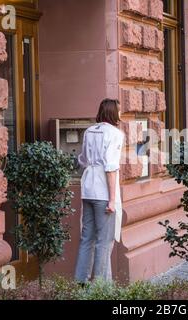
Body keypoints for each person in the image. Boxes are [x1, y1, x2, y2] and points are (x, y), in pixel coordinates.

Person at [74, 98, 124, 284]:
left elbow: (83, 160)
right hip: (104, 192)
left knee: (87, 238)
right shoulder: (115, 134)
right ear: (113, 113)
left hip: (88, 189)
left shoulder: (89, 131)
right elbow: (111, 167)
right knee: (105, 240)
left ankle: (80, 282)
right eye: (119, 110)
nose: (120, 114)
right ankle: (100, 287)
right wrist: (112, 200)